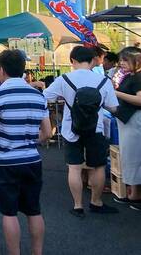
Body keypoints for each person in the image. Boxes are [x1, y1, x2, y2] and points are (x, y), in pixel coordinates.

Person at [0, 49, 51, 255]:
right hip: (32, 159)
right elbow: (48, 132)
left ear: (1, 70)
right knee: (34, 210)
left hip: (6, 161)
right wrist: (31, 141)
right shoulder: (38, 95)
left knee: (9, 213)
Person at [43, 45, 119, 217]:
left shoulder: (64, 79)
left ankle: (78, 206)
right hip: (96, 128)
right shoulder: (103, 81)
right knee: (97, 167)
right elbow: (114, 108)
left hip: (72, 129)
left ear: (72, 61)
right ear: (92, 60)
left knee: (75, 168)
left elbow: (45, 97)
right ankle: (96, 202)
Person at [113, 46, 141, 209]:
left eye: (124, 60)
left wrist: (117, 93)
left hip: (134, 120)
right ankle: (133, 193)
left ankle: (136, 195)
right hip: (128, 121)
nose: (121, 63)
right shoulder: (132, 76)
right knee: (131, 157)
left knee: (134, 157)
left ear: (136, 60)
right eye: (120, 60)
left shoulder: (138, 77)